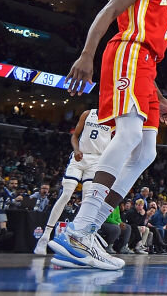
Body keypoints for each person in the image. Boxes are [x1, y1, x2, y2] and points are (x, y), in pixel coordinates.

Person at [50, 0, 167, 270]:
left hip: (146, 66)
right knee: (127, 136)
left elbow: (150, 46)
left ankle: (87, 229)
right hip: (128, 54)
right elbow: (110, 10)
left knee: (146, 151)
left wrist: (160, 95)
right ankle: (80, 229)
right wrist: (86, 54)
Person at [35, 109, 112, 255]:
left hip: (96, 160)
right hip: (79, 157)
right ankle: (45, 236)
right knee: (66, 195)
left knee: (88, 200)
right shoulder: (88, 114)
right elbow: (75, 136)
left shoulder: (114, 119)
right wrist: (76, 149)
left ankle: (79, 240)